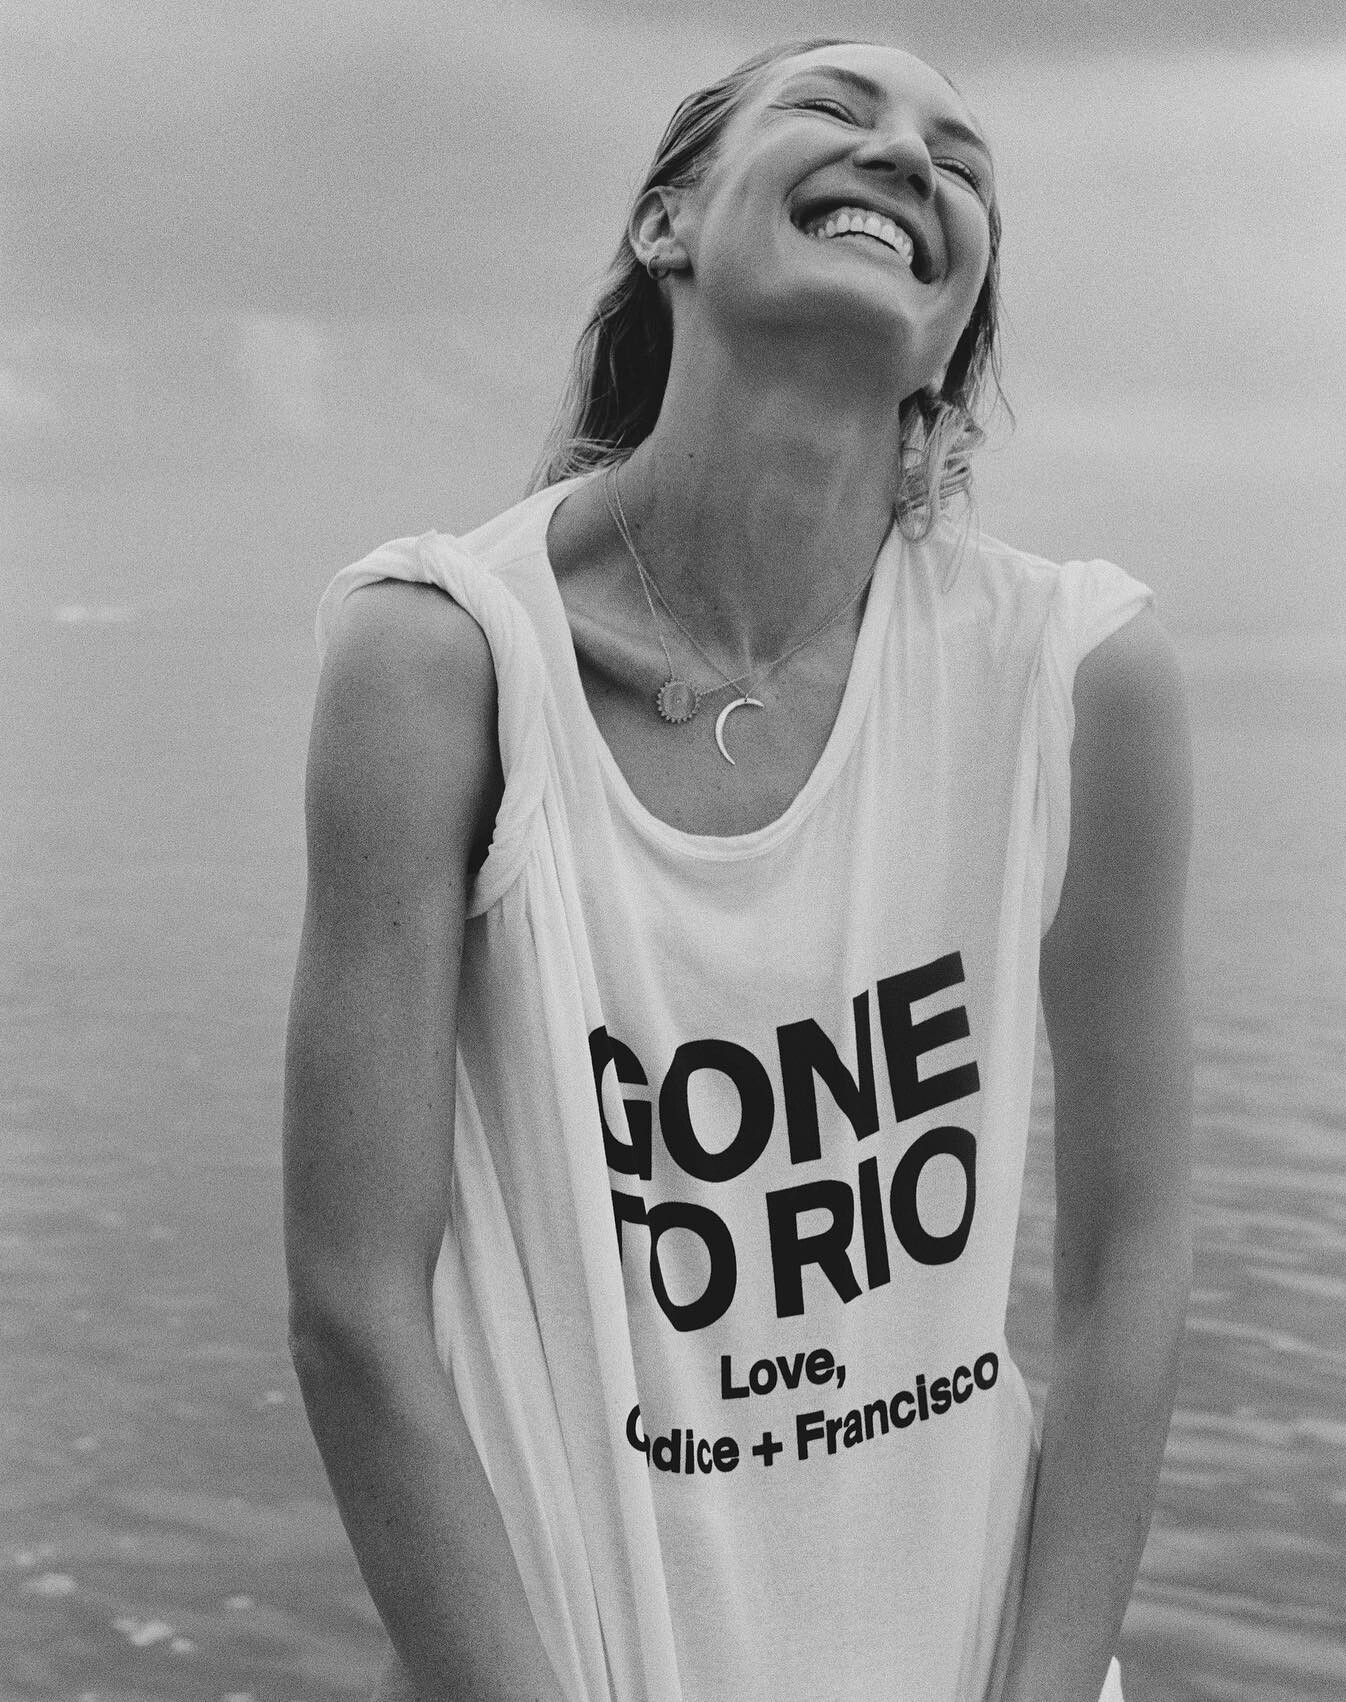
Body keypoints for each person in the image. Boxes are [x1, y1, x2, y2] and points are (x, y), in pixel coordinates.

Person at [282, 35, 1193, 1702]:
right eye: (837, 110)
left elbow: (1131, 1257)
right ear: (668, 225)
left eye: (961, 162)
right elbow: (355, 1305)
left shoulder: (1074, 676)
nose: (907, 155)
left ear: (949, 328)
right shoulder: (444, 660)